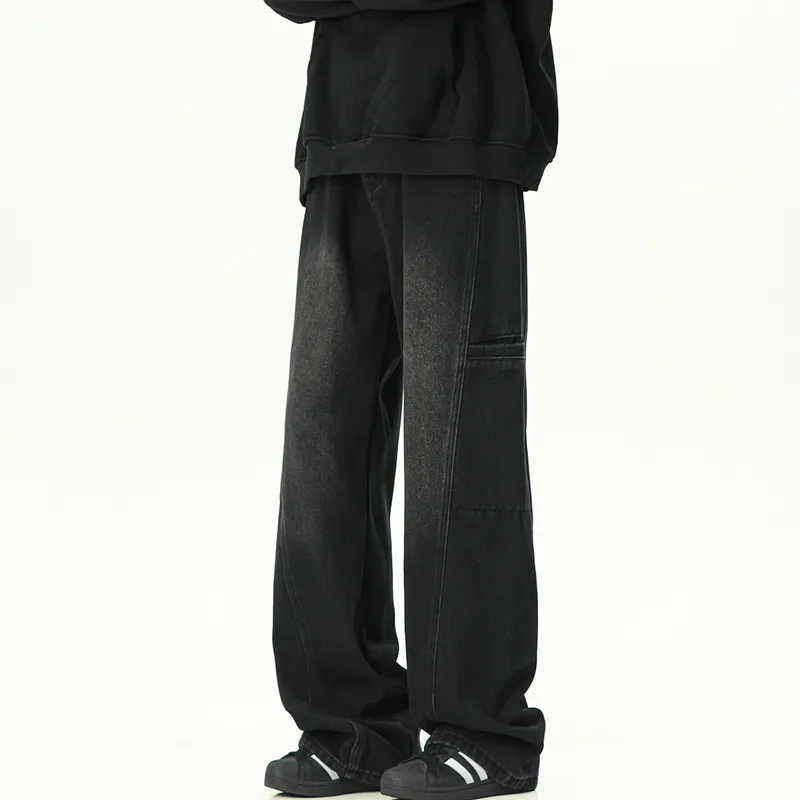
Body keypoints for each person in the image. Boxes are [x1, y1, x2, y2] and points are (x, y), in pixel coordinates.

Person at [260, 2, 558, 798]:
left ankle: (483, 731)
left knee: (456, 449)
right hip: (340, 136)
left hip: (463, 127)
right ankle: (350, 726)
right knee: (321, 450)